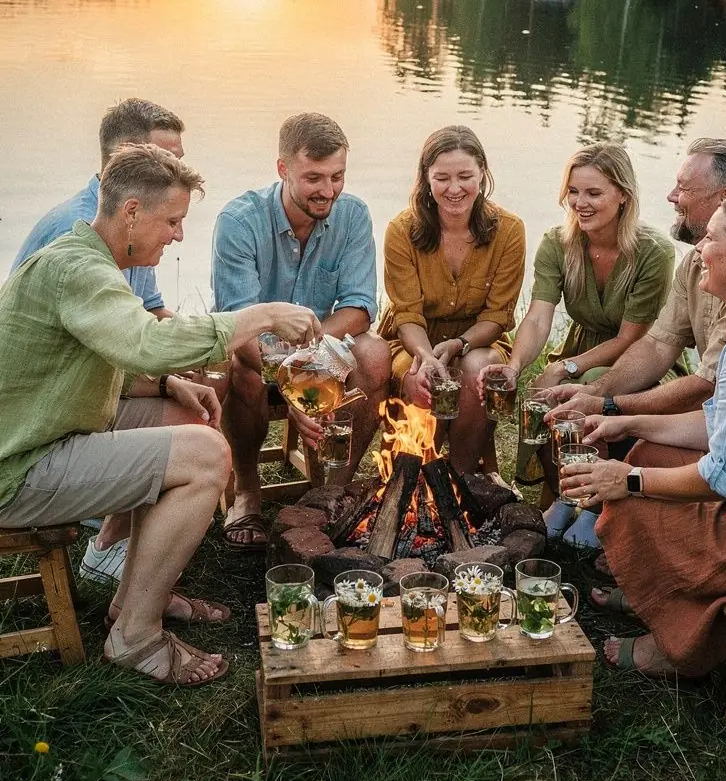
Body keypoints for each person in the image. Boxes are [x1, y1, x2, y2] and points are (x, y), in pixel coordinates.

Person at [0, 144, 319, 685]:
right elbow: (148, 343)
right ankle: (135, 640)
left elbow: (95, 357)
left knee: (184, 419)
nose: (178, 235)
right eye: (172, 220)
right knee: (205, 455)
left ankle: (133, 601)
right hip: (19, 468)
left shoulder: (88, 259)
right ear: (131, 213)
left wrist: (171, 383)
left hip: (46, 434)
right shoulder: (79, 270)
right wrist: (259, 315)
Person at [560, 195, 726, 680]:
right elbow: (722, 424)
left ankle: (682, 644)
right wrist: (625, 422)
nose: (699, 248)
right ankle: (654, 596)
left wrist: (629, 480)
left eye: (711, 238)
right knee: (651, 449)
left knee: (634, 501)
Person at [9, 97, 187, 586]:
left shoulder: (133, 227)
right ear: (125, 163)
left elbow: (148, 313)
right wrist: (232, 331)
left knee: (197, 398)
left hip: (97, 388)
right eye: (165, 161)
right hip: (47, 421)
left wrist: (180, 367)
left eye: (179, 160)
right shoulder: (71, 232)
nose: (176, 171)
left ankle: (115, 547)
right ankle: (110, 540)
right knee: (194, 434)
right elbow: (70, 355)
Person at [212, 112, 390, 549]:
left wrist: (311, 362)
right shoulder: (239, 221)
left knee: (375, 353)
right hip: (257, 351)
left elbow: (359, 309)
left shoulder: (352, 215)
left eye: (337, 176)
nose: (327, 190)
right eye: (314, 177)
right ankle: (248, 491)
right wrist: (295, 385)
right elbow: (239, 326)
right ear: (283, 169)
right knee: (241, 367)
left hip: (320, 346)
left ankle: (329, 491)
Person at [479, 143, 674, 543]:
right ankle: (566, 497)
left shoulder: (655, 252)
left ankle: (593, 505)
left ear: (623, 195)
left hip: (639, 357)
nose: (579, 203)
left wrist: (570, 366)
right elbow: (537, 315)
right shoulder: (558, 242)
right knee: (541, 390)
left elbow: (630, 337)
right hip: (585, 348)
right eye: (573, 191)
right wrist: (515, 367)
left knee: (585, 385)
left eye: (593, 193)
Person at [547, 138, 726, 422]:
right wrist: (595, 393)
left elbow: (707, 386)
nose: (671, 196)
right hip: (715, 419)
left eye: (684, 188)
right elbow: (657, 345)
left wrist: (611, 406)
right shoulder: (693, 264)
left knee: (638, 447)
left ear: (724, 199)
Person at [378, 125, 525, 475]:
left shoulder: (509, 231)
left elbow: (497, 315)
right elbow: (408, 315)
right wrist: (427, 356)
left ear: (482, 174)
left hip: (479, 338)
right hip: (413, 341)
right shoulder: (401, 231)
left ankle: (460, 479)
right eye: (442, 177)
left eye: (465, 176)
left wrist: (460, 344)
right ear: (426, 179)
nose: (454, 188)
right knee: (420, 380)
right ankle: (413, 477)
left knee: (477, 369)